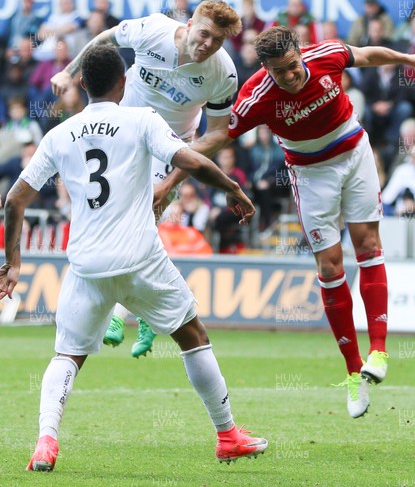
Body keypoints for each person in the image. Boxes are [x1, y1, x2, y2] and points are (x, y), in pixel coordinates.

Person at [0, 45, 267, 472]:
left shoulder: (57, 134)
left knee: (67, 355)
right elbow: (189, 159)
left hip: (87, 266)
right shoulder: (142, 120)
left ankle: (45, 443)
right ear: (124, 83)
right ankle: (228, 435)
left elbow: (15, 200)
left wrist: (13, 262)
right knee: (193, 336)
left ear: (82, 83)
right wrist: (232, 189)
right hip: (141, 259)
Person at [221, 26, 415, 418]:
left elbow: (367, 55)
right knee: (329, 266)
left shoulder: (327, 55)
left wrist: (409, 59)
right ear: (265, 69)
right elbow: (219, 137)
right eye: (277, 73)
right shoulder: (257, 97)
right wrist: (173, 170)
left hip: (354, 153)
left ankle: (379, 351)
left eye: (291, 66)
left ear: (299, 52)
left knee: (369, 246)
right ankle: (354, 374)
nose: (288, 77)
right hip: (309, 173)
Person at [50, 0, 242, 357]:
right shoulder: (153, 30)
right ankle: (145, 316)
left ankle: (120, 315)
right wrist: (68, 71)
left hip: (170, 148)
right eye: (204, 34)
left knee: (140, 227)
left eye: (217, 41)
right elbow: (105, 39)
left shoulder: (223, 74)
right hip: (121, 135)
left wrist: (172, 179)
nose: (207, 45)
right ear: (190, 24)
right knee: (114, 221)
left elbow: (217, 133)